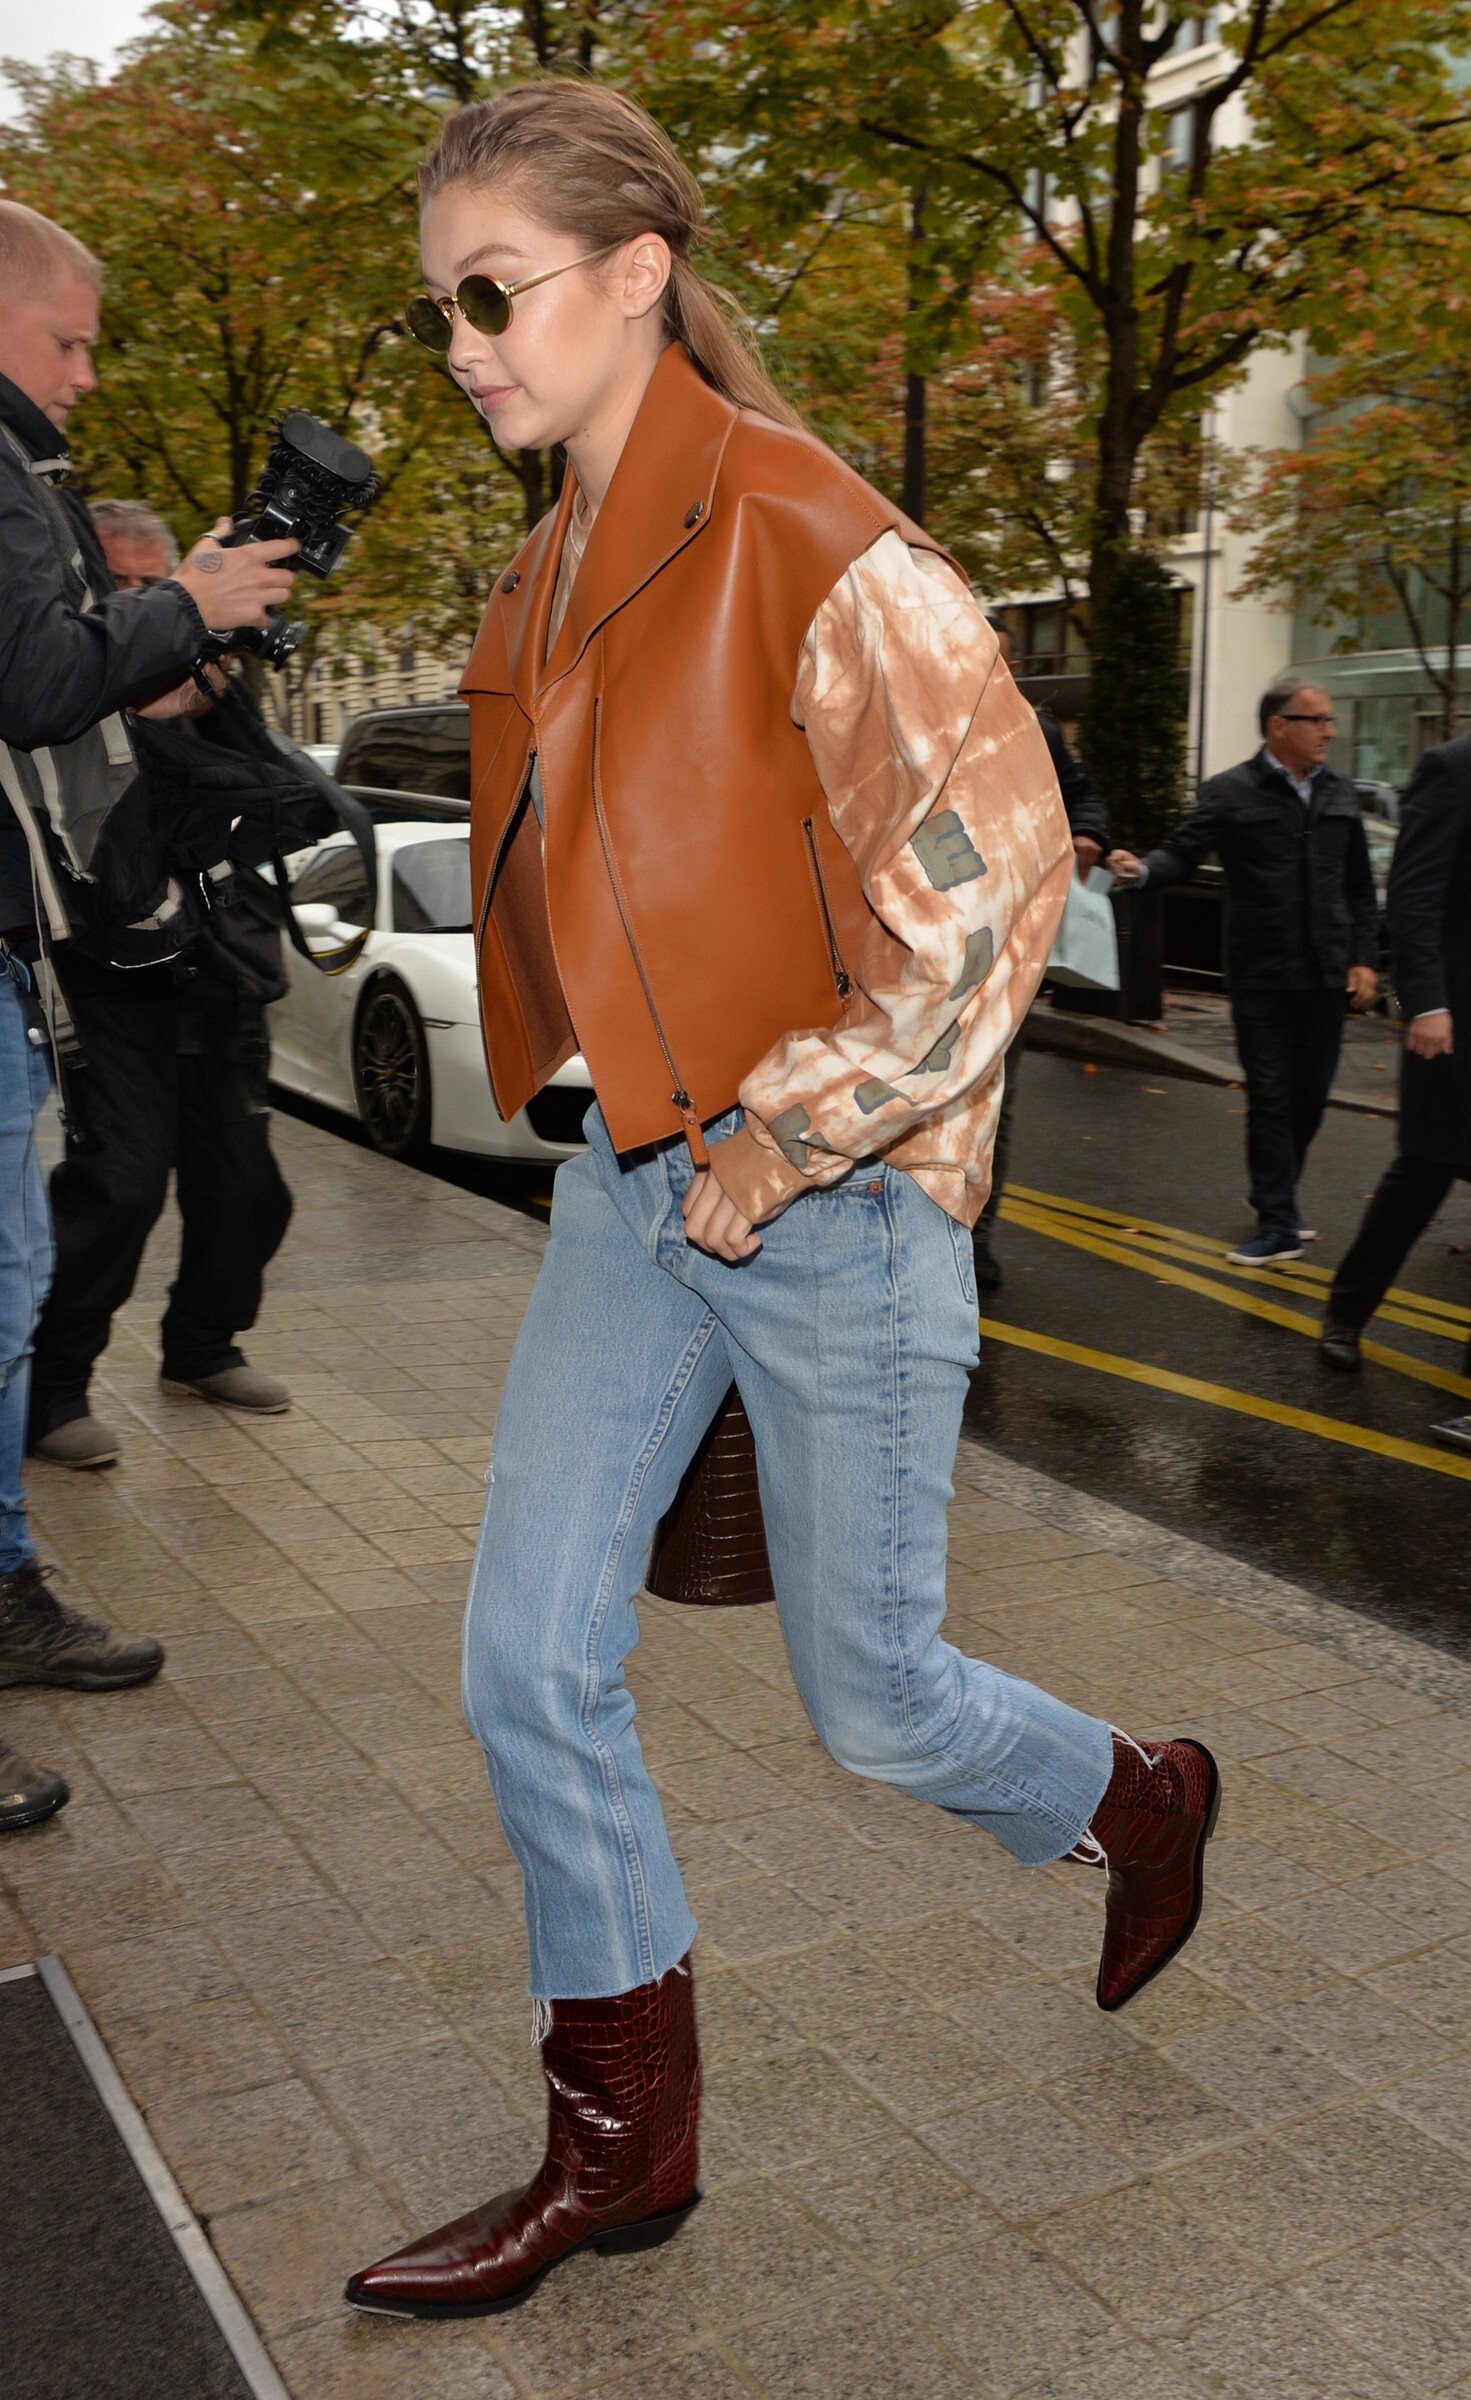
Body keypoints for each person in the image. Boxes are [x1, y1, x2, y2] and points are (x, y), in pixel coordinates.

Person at [345, 83, 1222, 2325]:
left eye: (489, 293)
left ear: (636, 272)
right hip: (632, 1193)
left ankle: (1135, 1798)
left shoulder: (816, 538)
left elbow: (1000, 893)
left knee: (878, 1704)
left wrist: (784, 1129)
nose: (460, 344)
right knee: (526, 1666)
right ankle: (620, 2146)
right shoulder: (547, 565)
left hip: (822, 1202)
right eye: (442, 305)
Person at [0, 198, 297, 1822]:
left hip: (172, 970)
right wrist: (169, 615)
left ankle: (14, 1576)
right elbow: (43, 692)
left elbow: (270, 790)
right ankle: (49, 1426)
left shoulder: (29, 481)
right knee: (73, 1221)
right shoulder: (12, 488)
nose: (88, 374)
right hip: (94, 970)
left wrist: (196, 655)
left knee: (214, 1195)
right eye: (69, 340)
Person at [27, 495, 295, 1474]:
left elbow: (269, 798)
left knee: (246, 1182)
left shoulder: (209, 674)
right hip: (108, 966)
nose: (146, 600)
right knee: (123, 1181)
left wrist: (217, 686)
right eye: (124, 585)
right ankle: (52, 1389)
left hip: (215, 958)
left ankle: (204, 1346)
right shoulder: (68, 680)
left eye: (158, 581)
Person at [1112, 677, 1379, 1265]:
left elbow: (1358, 884)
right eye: (1316, 720)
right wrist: (1142, 871)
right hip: (1260, 971)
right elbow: (1182, 853)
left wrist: (1364, 958)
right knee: (1271, 1095)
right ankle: (1278, 1220)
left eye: (1330, 720)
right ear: (1279, 726)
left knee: (1310, 1097)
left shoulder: (1338, 790)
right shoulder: (1231, 791)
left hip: (1326, 971)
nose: (1329, 731)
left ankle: (1275, 1195)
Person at [1318, 733, 1471, 1450]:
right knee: (1421, 1175)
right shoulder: (1453, 767)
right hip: (1454, 1024)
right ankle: (1345, 1312)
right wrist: (1425, 1002)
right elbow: (1413, 896)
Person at [973, 616, 1113, 1290]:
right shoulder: (904, 720)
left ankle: (976, 1240)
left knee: (995, 1098)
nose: (994, 673)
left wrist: (1086, 830)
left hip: (1010, 947)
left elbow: (1081, 791)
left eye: (1005, 662)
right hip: (917, 948)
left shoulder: (1037, 731)